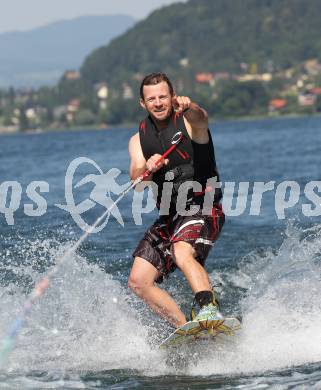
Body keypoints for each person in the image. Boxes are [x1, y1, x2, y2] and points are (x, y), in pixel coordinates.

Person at [128, 72, 225, 329]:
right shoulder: (138, 140)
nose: (158, 102)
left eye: (163, 96)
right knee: (138, 280)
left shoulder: (189, 121)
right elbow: (137, 180)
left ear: (172, 97)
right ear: (143, 103)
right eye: (151, 99)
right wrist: (146, 168)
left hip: (203, 207)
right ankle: (185, 328)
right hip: (171, 216)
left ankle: (209, 311)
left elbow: (202, 118)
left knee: (182, 250)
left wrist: (189, 106)